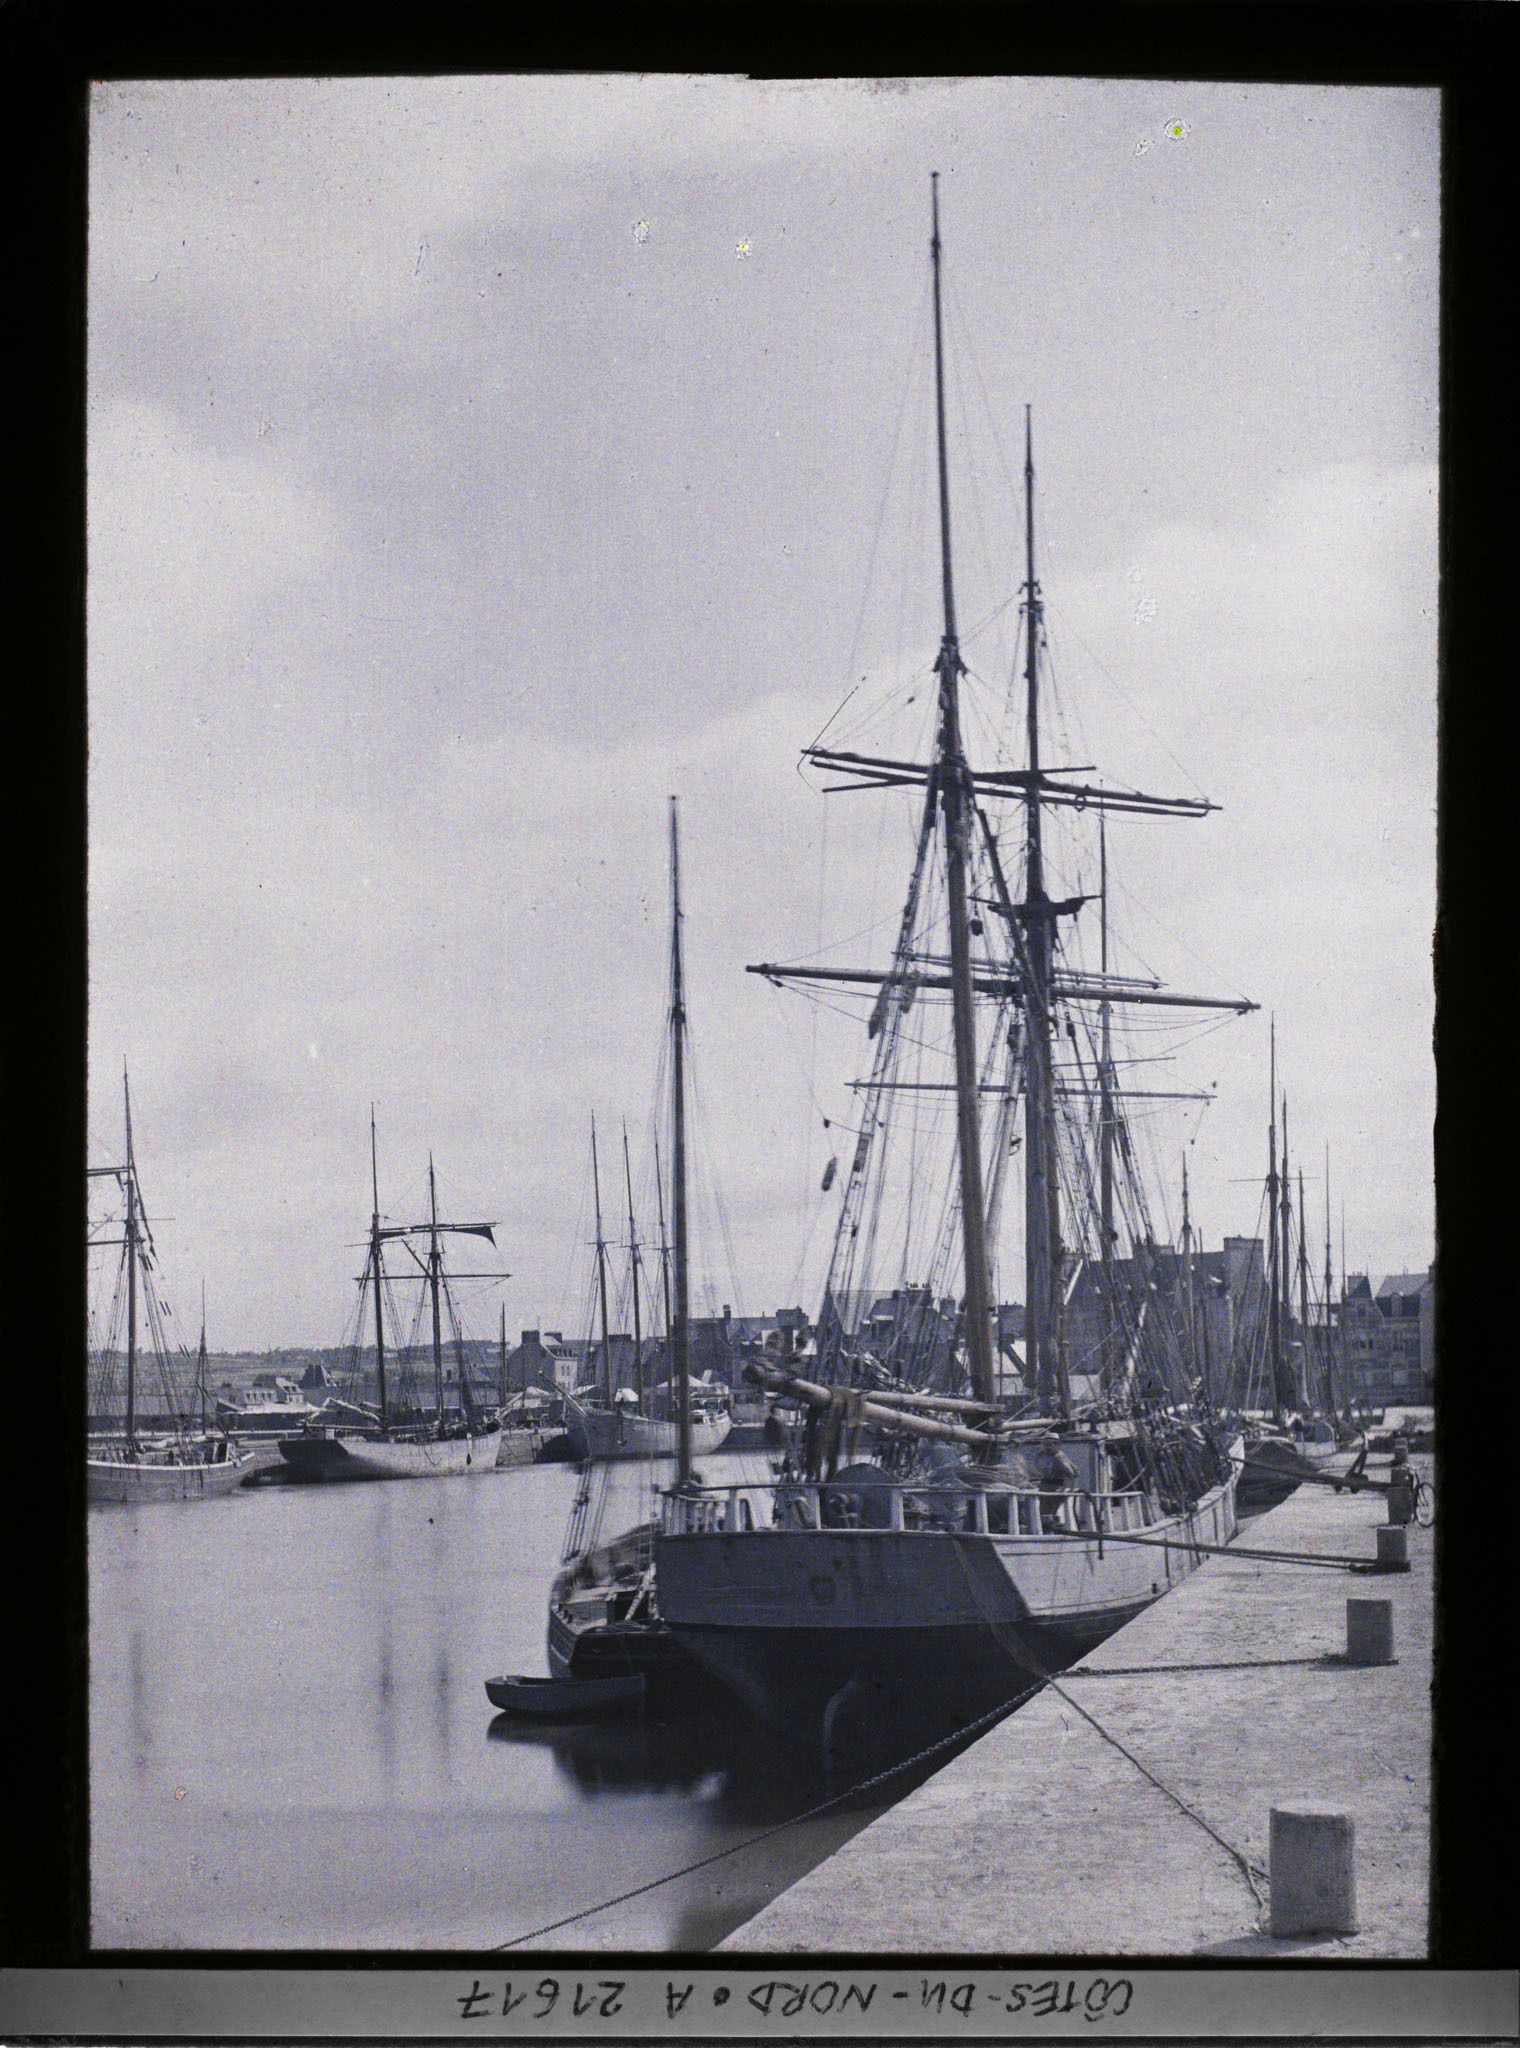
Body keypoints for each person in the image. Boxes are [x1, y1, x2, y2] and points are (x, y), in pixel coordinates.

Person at [1034, 1429, 1078, 1531]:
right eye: (1045, 1444)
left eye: (1050, 1444)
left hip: (1055, 1487)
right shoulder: (1044, 1455)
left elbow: (1071, 1474)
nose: (1047, 1447)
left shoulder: (1059, 1458)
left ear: (1057, 1445)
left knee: (1051, 1511)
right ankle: (1043, 1528)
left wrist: (1067, 1490)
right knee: (1042, 1511)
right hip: (1045, 1486)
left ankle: (1050, 1528)